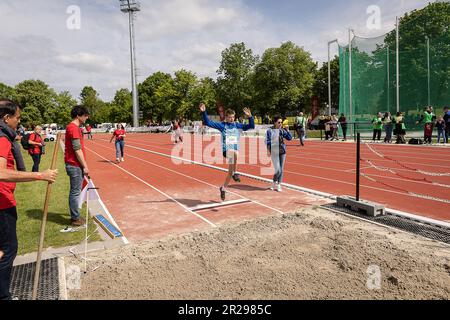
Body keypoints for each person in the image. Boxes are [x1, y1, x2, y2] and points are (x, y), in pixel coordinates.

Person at [0, 99, 57, 301]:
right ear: (6, 118)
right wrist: (40, 175)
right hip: (2, 204)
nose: (19, 122)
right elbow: (0, 172)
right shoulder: (2, 138)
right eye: (18, 118)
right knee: (7, 250)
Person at [200, 103, 254, 201]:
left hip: (233, 153)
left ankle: (223, 188)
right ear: (226, 117)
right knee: (236, 152)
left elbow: (251, 126)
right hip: (227, 151)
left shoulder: (237, 125)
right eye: (229, 117)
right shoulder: (222, 125)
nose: (231, 119)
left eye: (233, 117)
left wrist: (250, 116)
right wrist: (204, 112)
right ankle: (236, 173)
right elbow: (208, 122)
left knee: (229, 173)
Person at [65, 105, 90, 227]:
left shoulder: (74, 127)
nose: (87, 117)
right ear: (78, 115)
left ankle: (75, 215)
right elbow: (77, 149)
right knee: (75, 192)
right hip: (74, 165)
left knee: (75, 191)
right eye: (85, 115)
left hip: (74, 164)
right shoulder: (73, 128)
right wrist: (85, 166)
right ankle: (75, 218)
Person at [266, 115, 292, 192]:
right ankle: (274, 182)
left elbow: (289, 138)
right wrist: (268, 150)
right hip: (274, 151)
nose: (280, 124)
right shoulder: (270, 131)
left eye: (281, 122)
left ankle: (278, 184)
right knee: (278, 169)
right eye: (279, 122)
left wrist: (287, 131)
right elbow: (267, 141)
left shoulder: (282, 130)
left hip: (282, 151)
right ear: (274, 122)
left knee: (281, 168)